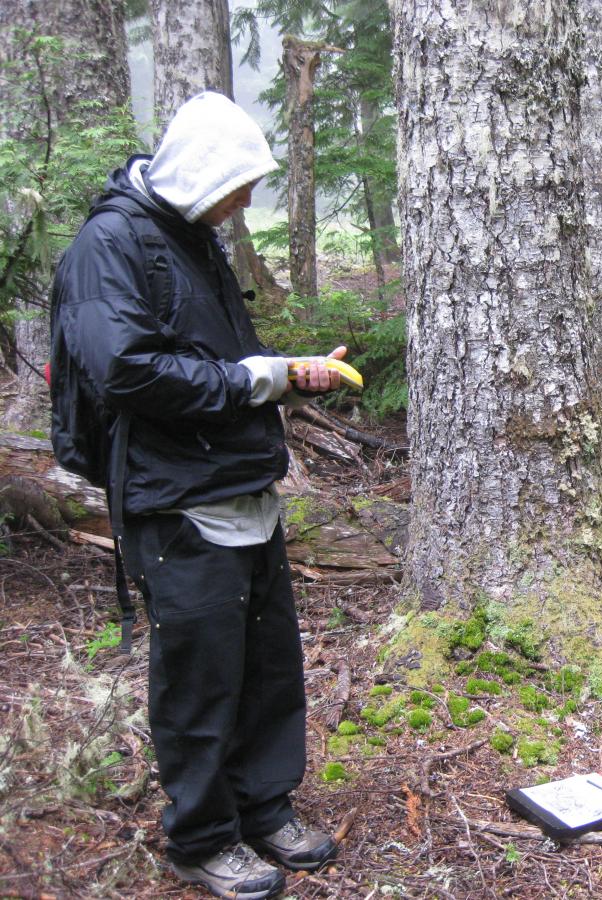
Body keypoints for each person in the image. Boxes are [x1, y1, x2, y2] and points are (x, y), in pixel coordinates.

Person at [52, 92, 343, 900]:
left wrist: (284, 375)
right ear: (201, 172)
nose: (246, 201)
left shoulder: (193, 235)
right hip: (175, 500)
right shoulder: (108, 245)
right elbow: (126, 371)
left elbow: (221, 360)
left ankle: (263, 807)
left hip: (241, 483)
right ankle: (204, 837)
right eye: (238, 183)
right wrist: (251, 380)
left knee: (267, 664)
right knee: (200, 677)